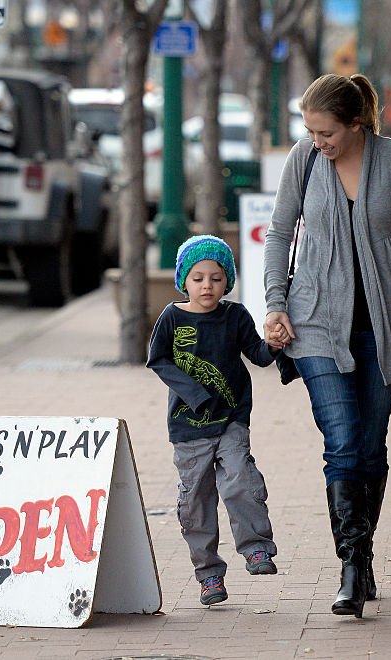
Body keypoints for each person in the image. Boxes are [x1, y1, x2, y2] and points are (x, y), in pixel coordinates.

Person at [263, 73, 391, 618]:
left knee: (370, 447)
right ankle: (350, 565)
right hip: (314, 321)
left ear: (354, 123)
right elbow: (279, 233)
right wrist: (276, 302)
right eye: (310, 131)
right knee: (342, 441)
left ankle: (363, 559)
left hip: (383, 327)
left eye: (325, 132)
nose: (316, 141)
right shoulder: (303, 159)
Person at [147, 235, 280, 607]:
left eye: (217, 278)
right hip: (188, 429)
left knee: (240, 479)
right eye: (199, 278)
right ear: (184, 281)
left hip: (232, 418)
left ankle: (256, 548)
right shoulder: (172, 317)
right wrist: (194, 394)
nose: (207, 286)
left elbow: (258, 354)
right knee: (197, 503)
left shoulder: (234, 315)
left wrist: (273, 344)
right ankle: (208, 575)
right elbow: (158, 360)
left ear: (228, 281)